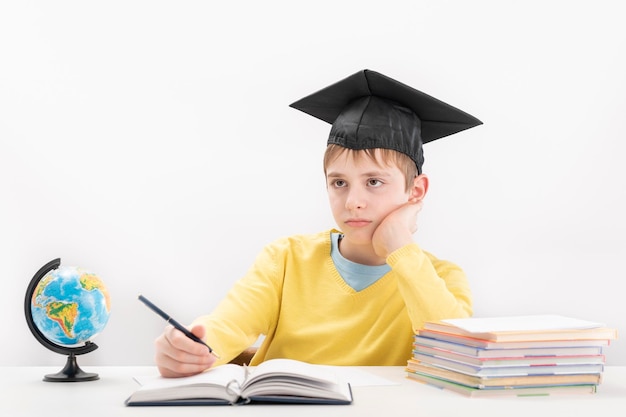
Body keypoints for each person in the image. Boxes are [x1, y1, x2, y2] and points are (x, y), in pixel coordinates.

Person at [155, 69, 482, 377]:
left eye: (374, 182)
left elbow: (455, 359)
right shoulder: (285, 260)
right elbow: (227, 325)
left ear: (416, 191)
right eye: (339, 182)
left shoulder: (441, 279)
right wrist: (192, 348)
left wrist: (402, 248)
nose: (353, 200)